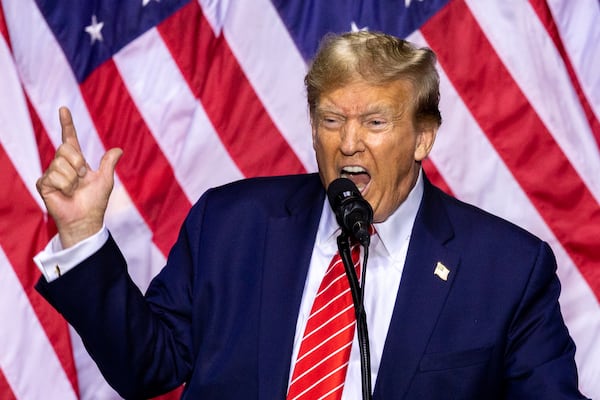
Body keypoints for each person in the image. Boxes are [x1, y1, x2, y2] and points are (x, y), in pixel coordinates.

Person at [34, 31, 587, 399]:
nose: (348, 144)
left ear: (423, 137)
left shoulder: (507, 269)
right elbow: (144, 365)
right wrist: (82, 235)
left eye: (374, 122)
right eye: (330, 120)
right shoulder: (230, 226)